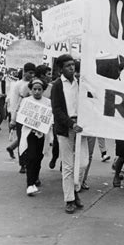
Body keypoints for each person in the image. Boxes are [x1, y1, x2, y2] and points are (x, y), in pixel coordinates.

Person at [51, 54, 88, 214]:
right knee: (67, 166)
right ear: (61, 68)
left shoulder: (80, 83)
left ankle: (75, 190)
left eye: (73, 65)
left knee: (83, 162)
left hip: (81, 127)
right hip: (66, 128)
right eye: (68, 66)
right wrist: (71, 124)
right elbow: (57, 110)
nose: (72, 68)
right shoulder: (58, 86)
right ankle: (70, 199)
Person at [16, 79, 51, 196]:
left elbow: (50, 118)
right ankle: (30, 184)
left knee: (38, 158)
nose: (36, 92)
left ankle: (35, 177)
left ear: (43, 90)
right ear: (30, 90)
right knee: (30, 157)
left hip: (42, 135)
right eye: (34, 89)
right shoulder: (26, 101)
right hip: (29, 134)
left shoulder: (47, 102)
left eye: (39, 89)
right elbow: (21, 116)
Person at [9, 63, 36, 173]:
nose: (32, 75)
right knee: (22, 141)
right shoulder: (18, 85)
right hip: (20, 116)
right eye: (30, 73)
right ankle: (22, 164)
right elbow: (14, 102)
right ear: (24, 72)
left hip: (32, 117)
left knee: (32, 142)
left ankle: (29, 163)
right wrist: (13, 119)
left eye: (33, 73)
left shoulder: (35, 83)